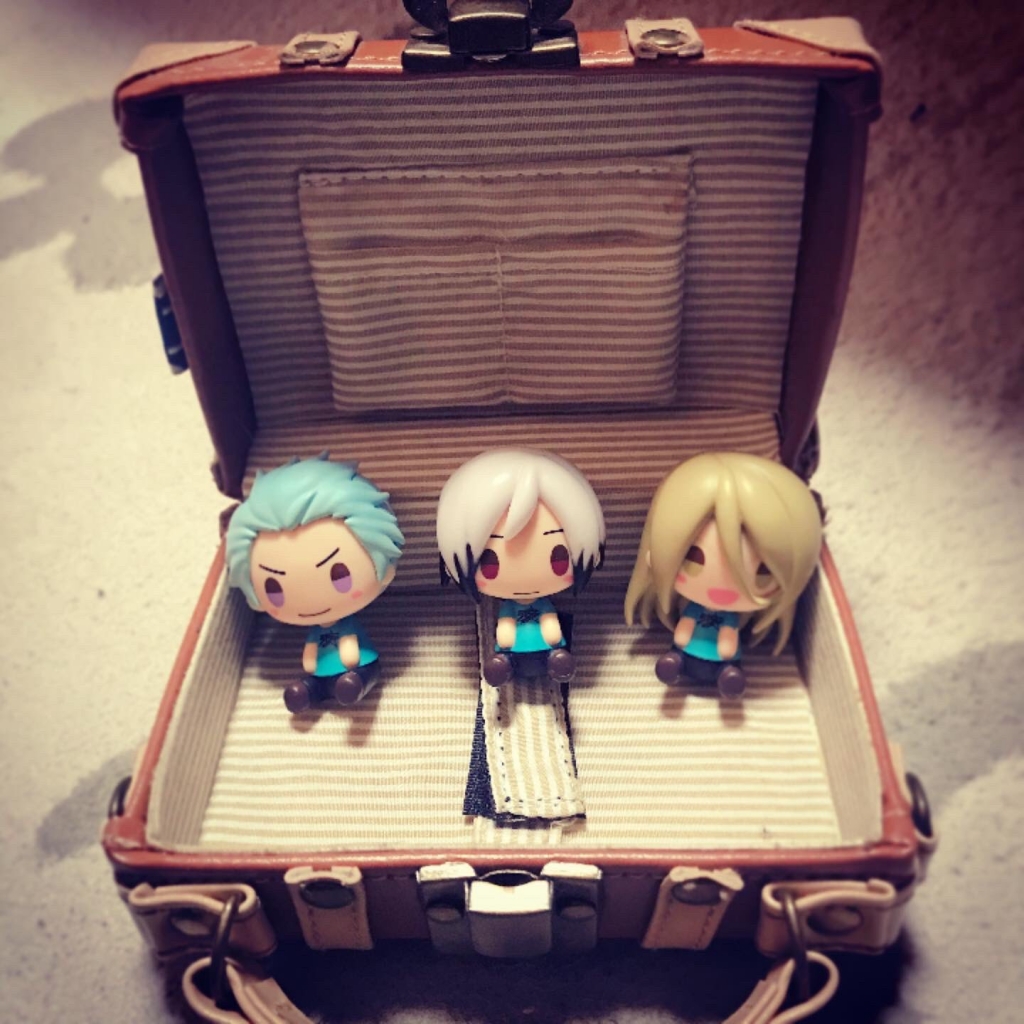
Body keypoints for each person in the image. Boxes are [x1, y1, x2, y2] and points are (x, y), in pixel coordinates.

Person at [226, 454, 404, 712]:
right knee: (313, 681)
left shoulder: (347, 624)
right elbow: (311, 647)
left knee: (360, 675)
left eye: (339, 576)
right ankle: (305, 693)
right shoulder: (315, 630)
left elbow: (350, 643)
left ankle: (353, 687)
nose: (313, 599)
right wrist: (310, 659)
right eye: (275, 590)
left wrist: (346, 655)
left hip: (358, 663)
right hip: (322, 668)